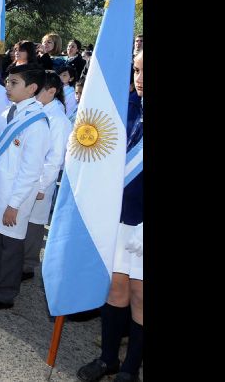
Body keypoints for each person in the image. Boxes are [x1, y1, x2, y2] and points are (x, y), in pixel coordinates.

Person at [77, 51, 143, 382]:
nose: (139, 77)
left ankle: (131, 368)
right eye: (136, 69)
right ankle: (108, 359)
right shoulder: (124, 107)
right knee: (115, 288)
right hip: (119, 216)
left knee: (140, 295)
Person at [0, 63, 50, 310]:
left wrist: (14, 204)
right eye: (7, 81)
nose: (8, 86)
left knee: (10, 248)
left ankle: (4, 294)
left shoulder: (36, 122)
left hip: (15, 197)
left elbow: (30, 170)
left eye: (14, 83)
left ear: (32, 88)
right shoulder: (9, 112)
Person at [22, 70, 72, 281]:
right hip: (26, 177)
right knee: (22, 222)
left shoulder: (59, 120)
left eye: (38, 90)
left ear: (51, 92)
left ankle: (27, 265)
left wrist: (42, 187)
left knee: (33, 225)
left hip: (41, 181)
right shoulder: (35, 110)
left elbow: (55, 159)